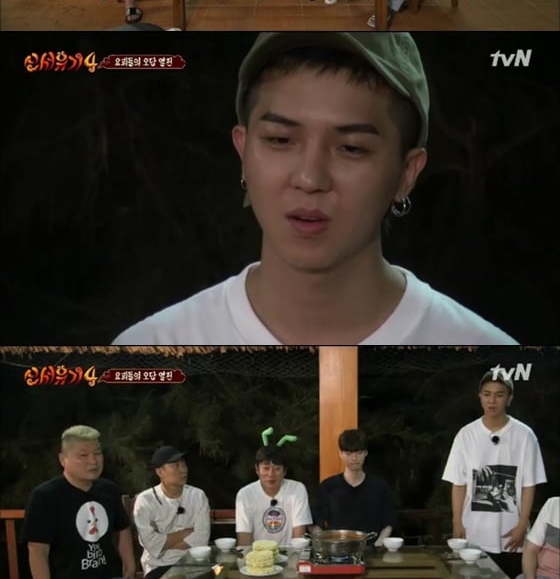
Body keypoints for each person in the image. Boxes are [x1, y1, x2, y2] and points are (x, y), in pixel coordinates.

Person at [113, 32, 519, 347]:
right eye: (280, 140)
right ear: (243, 151)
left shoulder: (484, 350)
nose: (309, 179)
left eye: (351, 148)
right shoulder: (152, 345)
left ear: (406, 174)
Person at [21, 425, 156, 579]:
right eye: (83, 455)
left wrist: (129, 561)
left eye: (97, 453)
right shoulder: (45, 496)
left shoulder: (108, 490)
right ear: (63, 459)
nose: (93, 461)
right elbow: (37, 551)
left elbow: (122, 526)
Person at [440, 370, 547, 579]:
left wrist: (523, 523)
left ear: (509, 399)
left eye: (499, 395)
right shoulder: (466, 434)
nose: (492, 400)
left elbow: (529, 484)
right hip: (474, 532)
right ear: (479, 397)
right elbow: (458, 483)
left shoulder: (524, 435)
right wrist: (457, 521)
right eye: (487, 394)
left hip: (511, 534)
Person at [313, 428, 395, 579]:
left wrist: (379, 544)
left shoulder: (380, 486)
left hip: (373, 550)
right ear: (341, 454)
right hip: (338, 553)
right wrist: (326, 545)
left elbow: (388, 522)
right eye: (349, 453)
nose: (354, 458)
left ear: (366, 453)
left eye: (358, 452)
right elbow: (315, 523)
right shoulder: (328, 486)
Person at [133, 445, 224, 579]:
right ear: (160, 471)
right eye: (175, 465)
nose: (183, 469)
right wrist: (185, 532)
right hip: (158, 566)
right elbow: (152, 545)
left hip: (197, 563)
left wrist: (165, 540)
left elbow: (201, 539)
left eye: (183, 464)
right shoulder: (145, 501)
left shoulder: (197, 495)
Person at [236, 440, 313, 579]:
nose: (271, 474)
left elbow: (299, 535)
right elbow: (244, 539)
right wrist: (250, 564)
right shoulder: (245, 494)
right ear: (257, 469)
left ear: (284, 471)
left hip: (290, 556)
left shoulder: (297, 489)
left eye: (277, 468)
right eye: (266, 468)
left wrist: (293, 563)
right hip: (258, 559)